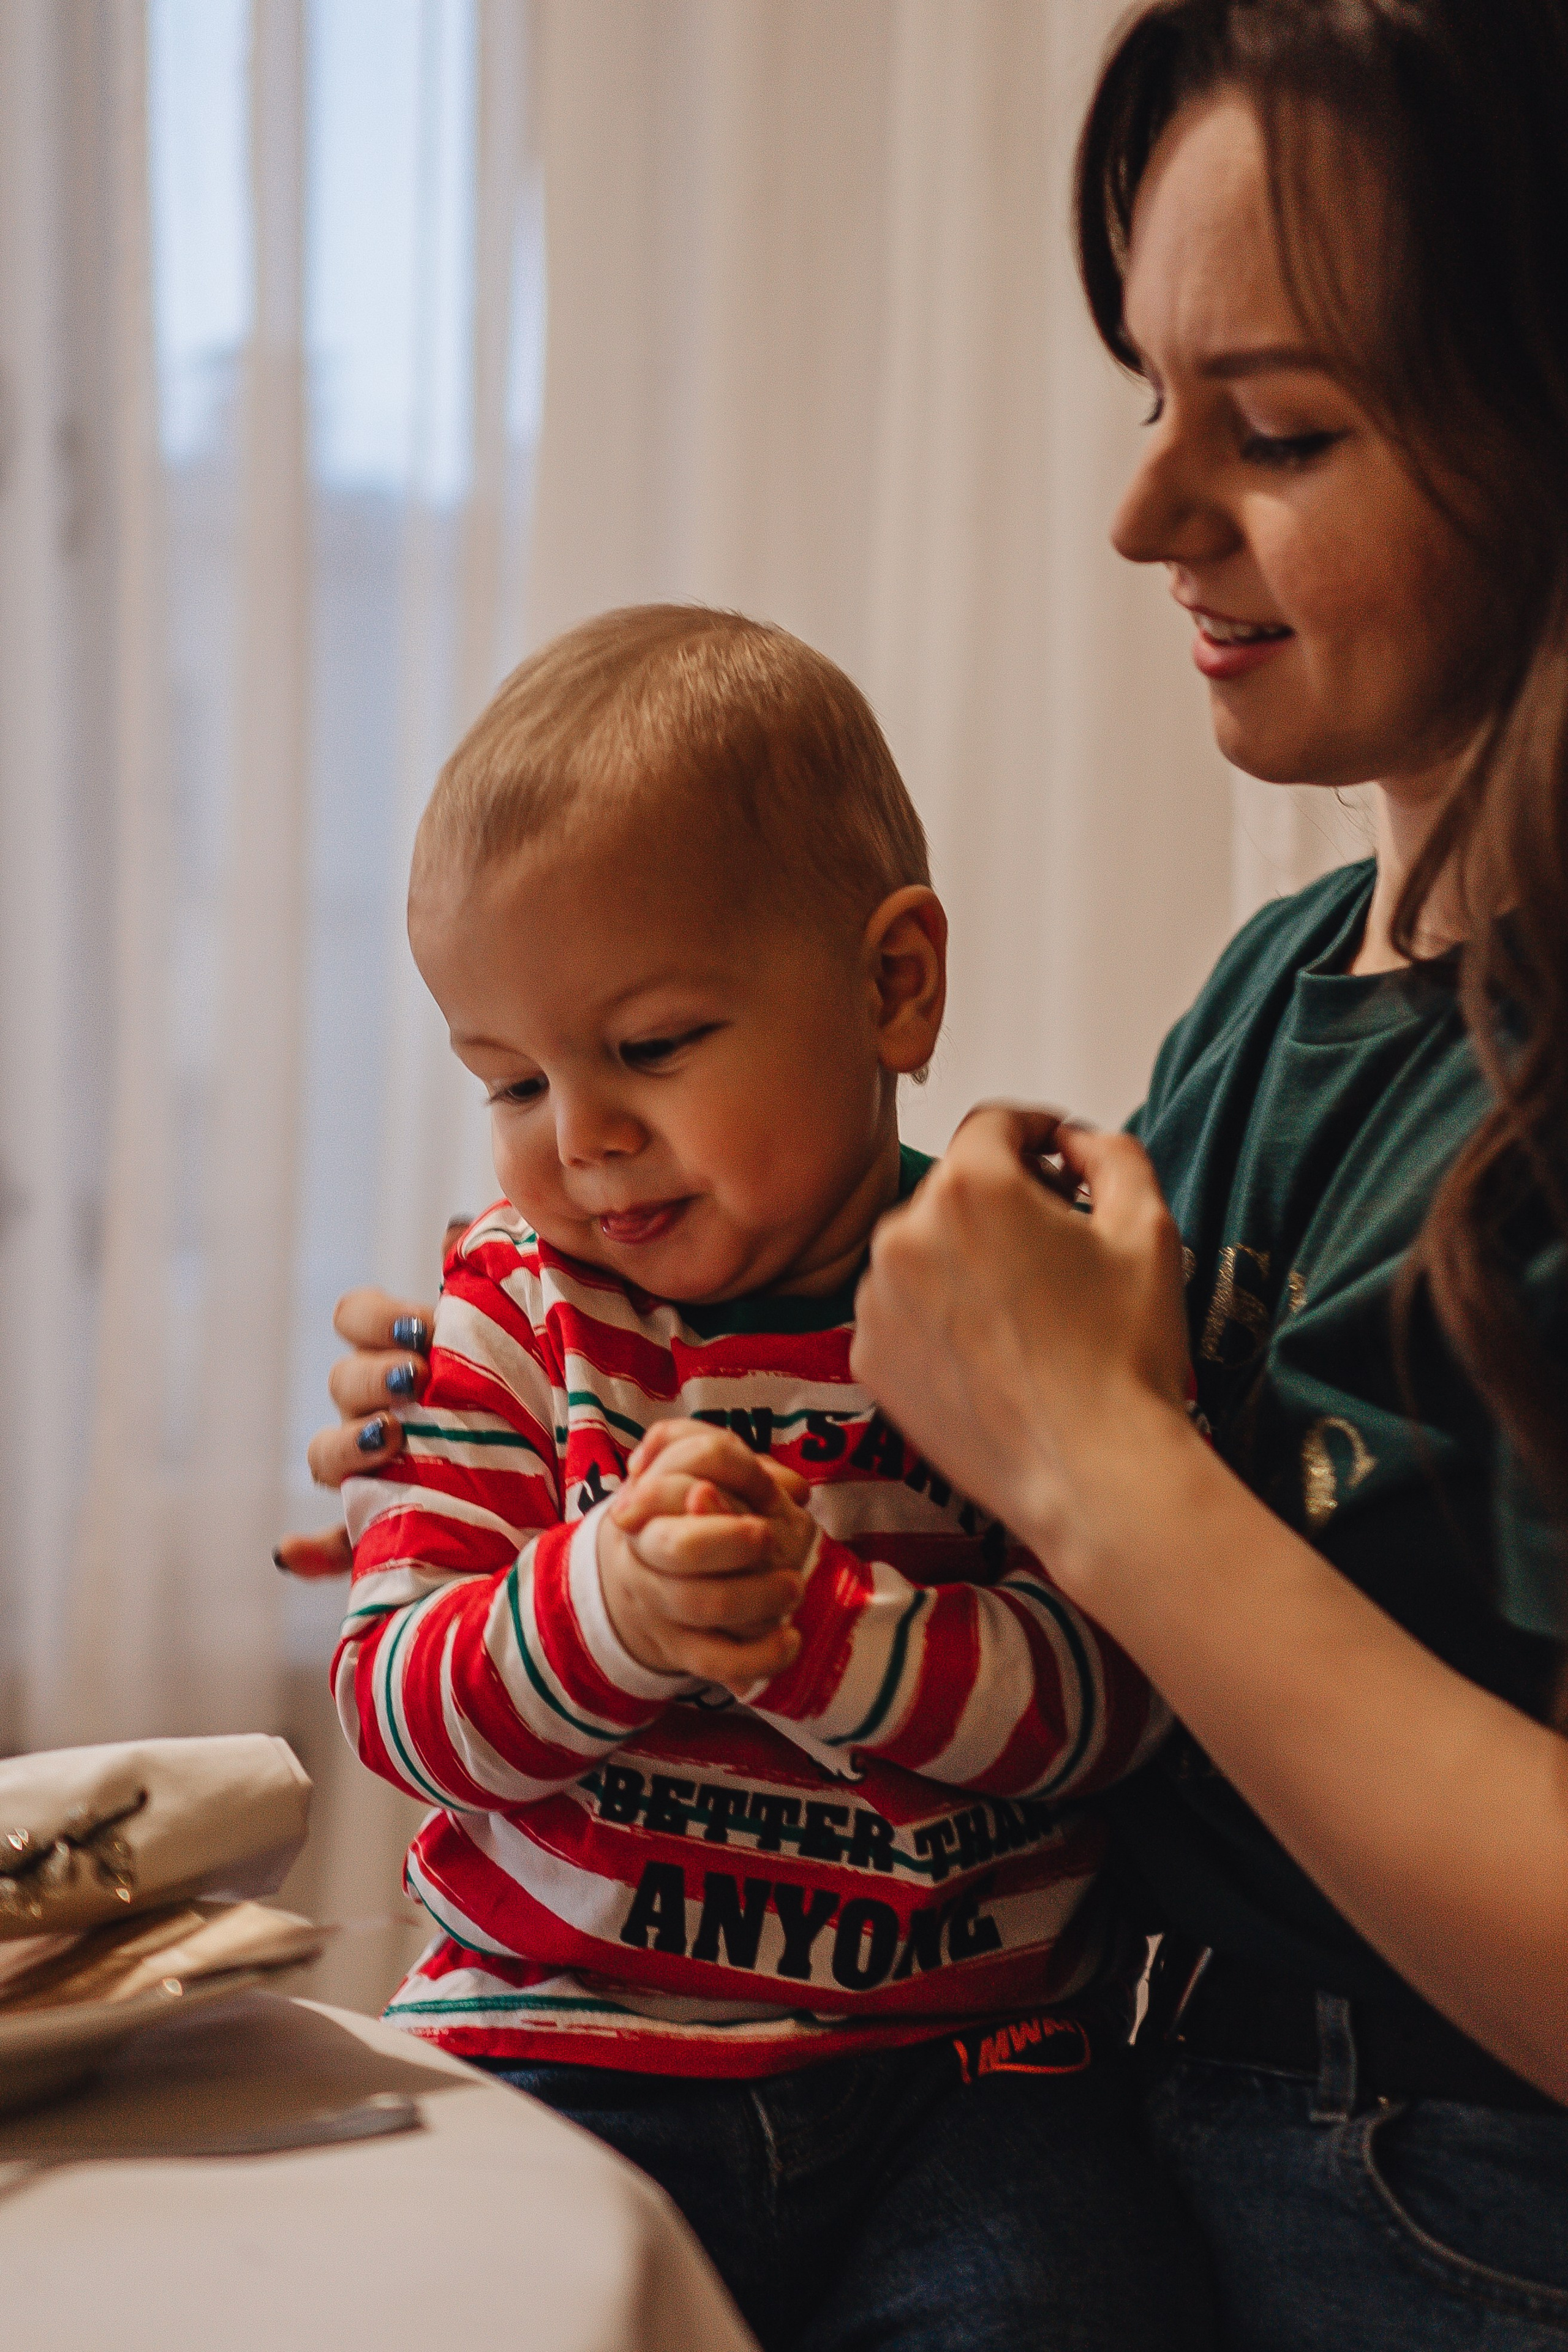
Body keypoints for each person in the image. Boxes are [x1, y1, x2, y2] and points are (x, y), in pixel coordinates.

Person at [841, 7, 1568, 2348]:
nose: (1144, 515)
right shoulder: (1277, 985)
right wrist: (602, 1365)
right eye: (1153, 397)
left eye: (1281, 430)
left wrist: (1093, 1460)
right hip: (1138, 2128)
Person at [306, 603, 1212, 2352]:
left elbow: (1114, 1702)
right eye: (511, 1080)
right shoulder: (515, 1309)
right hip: (555, 2048)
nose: (581, 1136)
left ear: (894, 987)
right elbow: (396, 1699)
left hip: (971, 2081)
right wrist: (607, 1608)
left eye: (652, 1047)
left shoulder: (1018, 1284)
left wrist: (821, 1629)